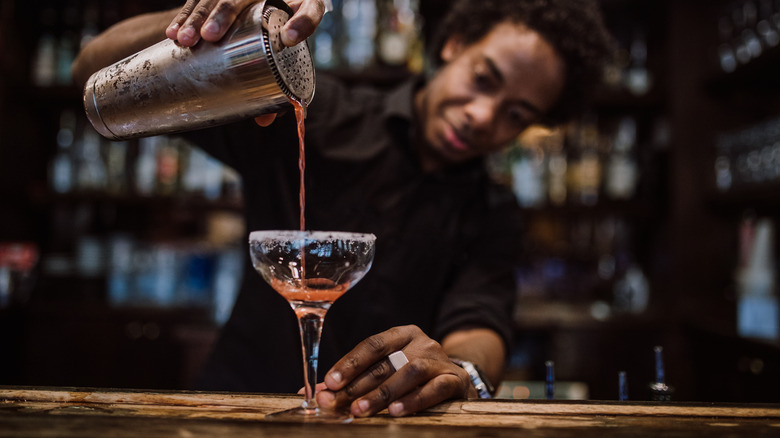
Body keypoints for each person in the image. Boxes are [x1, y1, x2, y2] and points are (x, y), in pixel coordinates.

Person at [72, 0, 612, 418]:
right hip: (237, 407)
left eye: (515, 114)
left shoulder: (492, 210)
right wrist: (207, 22)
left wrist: (456, 369)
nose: (481, 115)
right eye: (484, 79)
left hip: (376, 421)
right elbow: (92, 74)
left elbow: (481, 323)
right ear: (453, 44)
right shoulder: (313, 110)